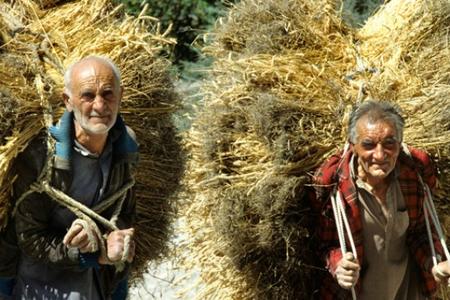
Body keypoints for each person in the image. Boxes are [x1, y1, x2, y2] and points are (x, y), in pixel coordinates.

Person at [0, 55, 138, 299]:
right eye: (87, 95)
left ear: (121, 96)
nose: (99, 106)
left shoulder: (126, 148)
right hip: (39, 286)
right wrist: (92, 254)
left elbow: (124, 211)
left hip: (99, 284)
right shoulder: (41, 154)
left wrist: (118, 237)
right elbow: (29, 237)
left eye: (108, 94)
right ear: (68, 101)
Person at [311, 100, 450, 299]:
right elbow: (324, 246)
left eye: (389, 143)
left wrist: (435, 263)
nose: (380, 155)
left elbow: (419, 232)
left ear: (400, 144)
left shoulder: (412, 176)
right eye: (368, 144)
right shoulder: (336, 190)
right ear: (353, 146)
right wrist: (338, 265)